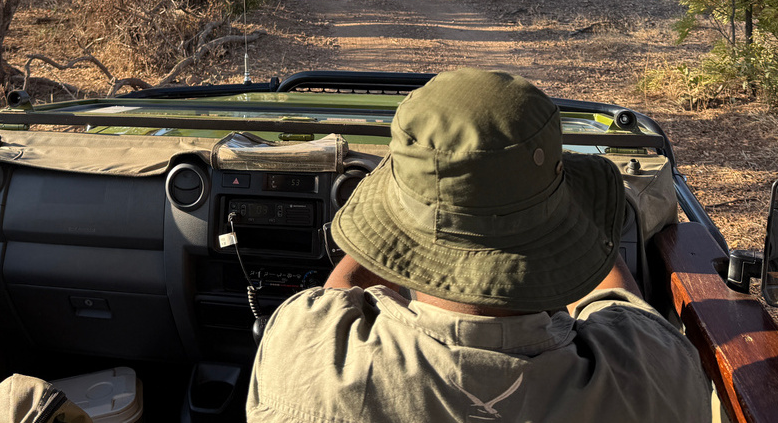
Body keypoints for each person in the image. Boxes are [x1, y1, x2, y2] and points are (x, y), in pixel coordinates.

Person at [247, 69, 712, 423]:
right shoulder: (656, 377)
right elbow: (621, 307)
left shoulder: (303, 355)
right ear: (562, 224)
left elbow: (332, 302)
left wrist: (396, 226)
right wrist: (578, 225)